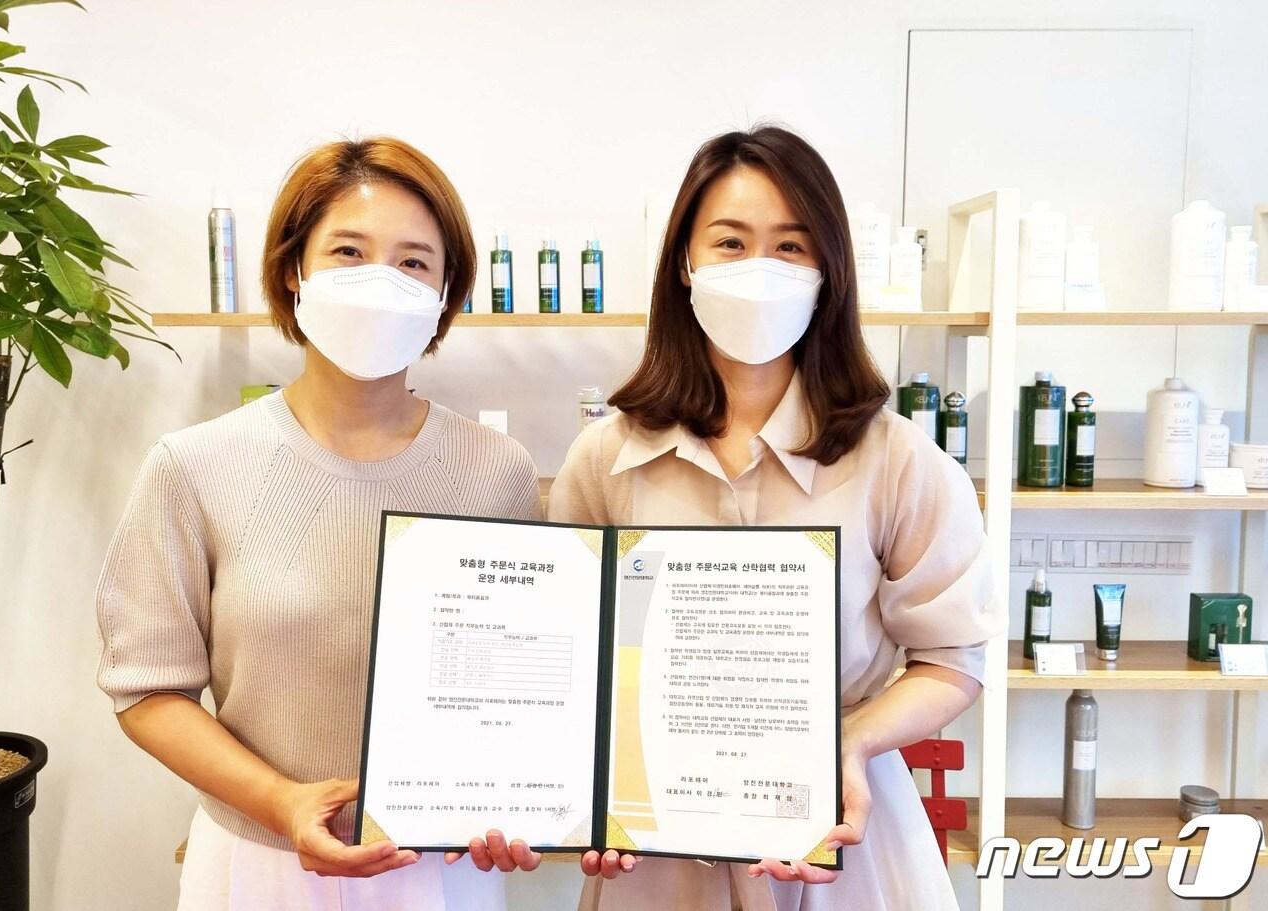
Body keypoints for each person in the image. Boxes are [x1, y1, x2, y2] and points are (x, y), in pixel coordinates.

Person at [549, 125, 1003, 911]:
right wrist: (593, 774)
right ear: (684, 263)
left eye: (790, 246)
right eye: (730, 242)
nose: (759, 268)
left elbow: (952, 659)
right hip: (657, 845)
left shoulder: (897, 459)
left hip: (839, 836)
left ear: (828, 272)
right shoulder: (606, 457)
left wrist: (850, 741)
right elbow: (569, 652)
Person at [97, 137, 544, 911]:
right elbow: (148, 690)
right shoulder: (193, 465)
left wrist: (526, 798)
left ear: (445, 292)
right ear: (293, 269)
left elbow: (522, 684)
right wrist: (282, 801)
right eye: (348, 251)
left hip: (443, 872)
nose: (381, 280)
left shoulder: (497, 471)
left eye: (413, 262)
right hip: (258, 864)